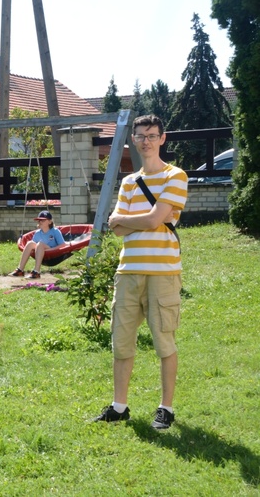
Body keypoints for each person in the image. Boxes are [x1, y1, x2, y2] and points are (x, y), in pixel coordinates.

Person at [93, 114, 188, 430]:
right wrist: (142, 218)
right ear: (132, 139)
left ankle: (166, 408)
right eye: (140, 135)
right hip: (128, 270)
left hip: (162, 272)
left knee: (164, 341)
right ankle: (120, 406)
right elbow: (116, 229)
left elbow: (144, 221)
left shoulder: (176, 176)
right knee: (121, 342)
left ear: (162, 138)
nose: (146, 140)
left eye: (151, 135)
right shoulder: (128, 182)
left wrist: (130, 218)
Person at [10, 210, 65, 279]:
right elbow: (33, 246)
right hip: (41, 253)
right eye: (39, 220)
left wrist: (52, 249)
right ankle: (20, 270)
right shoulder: (37, 233)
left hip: (53, 254)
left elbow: (63, 245)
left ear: (50, 222)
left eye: (43, 220)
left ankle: (36, 272)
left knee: (40, 244)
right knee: (30, 243)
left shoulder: (55, 231)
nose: (40, 222)